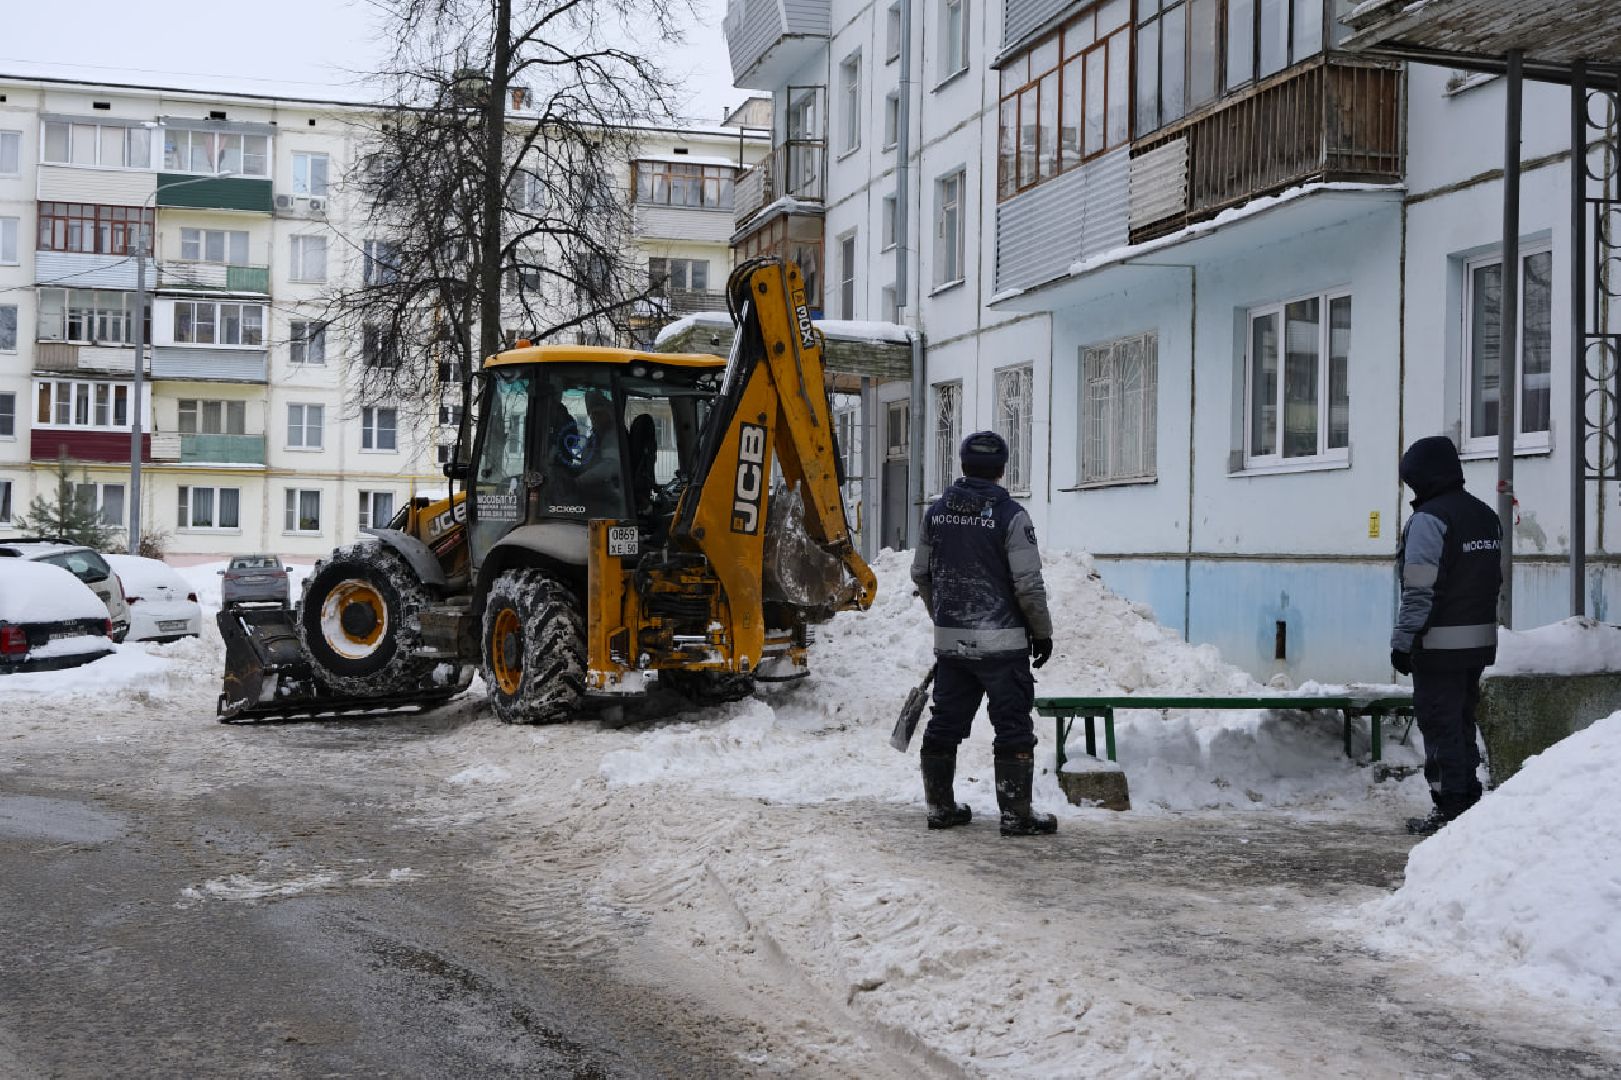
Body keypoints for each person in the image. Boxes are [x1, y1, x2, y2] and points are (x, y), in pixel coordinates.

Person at [911, 431, 1057, 836]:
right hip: (1002, 646)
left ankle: (940, 808)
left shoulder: (935, 514)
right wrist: (1041, 633)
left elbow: (920, 573)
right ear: (1002, 469)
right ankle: (1016, 815)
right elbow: (1027, 584)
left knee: (944, 724)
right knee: (1012, 726)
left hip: (951, 645)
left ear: (962, 464)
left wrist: (942, 615)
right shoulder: (1011, 516)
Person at [1391, 435, 1503, 836]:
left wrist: (1404, 641)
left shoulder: (1430, 520)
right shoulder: (1485, 515)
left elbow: (1420, 590)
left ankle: (1450, 807)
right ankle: (1469, 799)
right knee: (1461, 722)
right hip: (1478, 643)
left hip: (1437, 645)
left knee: (1439, 725)